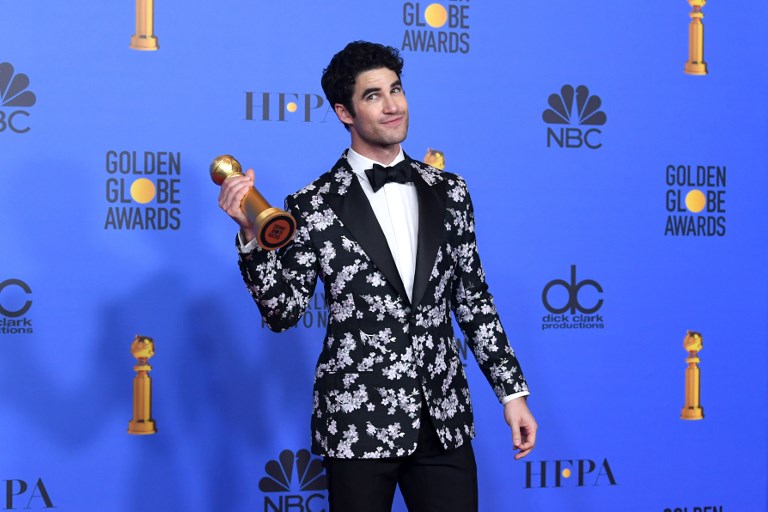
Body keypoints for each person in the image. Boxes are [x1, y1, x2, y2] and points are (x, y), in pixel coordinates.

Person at [218, 40, 537, 512]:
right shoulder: (313, 205)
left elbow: (473, 300)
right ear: (344, 112)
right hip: (357, 424)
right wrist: (251, 238)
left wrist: (512, 393)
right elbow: (283, 313)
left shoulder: (450, 191)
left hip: (441, 419)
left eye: (397, 89)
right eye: (374, 96)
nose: (393, 106)